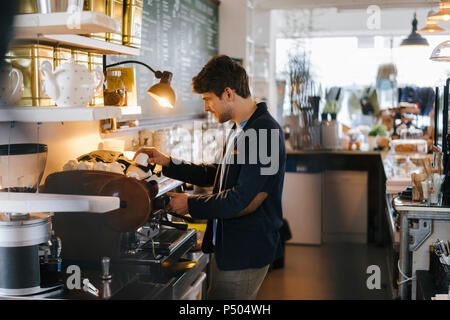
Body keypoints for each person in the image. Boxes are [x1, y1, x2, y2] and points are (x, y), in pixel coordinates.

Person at [135, 55, 286, 300]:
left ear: (228, 93)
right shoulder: (242, 128)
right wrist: (169, 162)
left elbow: (242, 200)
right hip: (230, 248)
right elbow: (219, 174)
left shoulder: (263, 133)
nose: (205, 106)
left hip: (245, 253)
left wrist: (190, 204)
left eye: (207, 99)